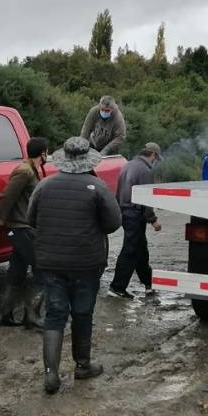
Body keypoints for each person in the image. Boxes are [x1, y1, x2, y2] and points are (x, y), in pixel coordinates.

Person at [28, 136, 121, 394]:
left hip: (50, 262)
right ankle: (82, 365)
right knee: (82, 313)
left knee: (55, 314)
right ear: (87, 160)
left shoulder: (44, 186)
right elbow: (114, 223)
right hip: (86, 263)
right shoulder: (97, 187)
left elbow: (30, 219)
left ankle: (51, 375)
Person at [0, 137, 49, 329]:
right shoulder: (24, 172)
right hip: (21, 228)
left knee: (16, 272)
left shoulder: (31, 170)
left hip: (22, 229)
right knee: (42, 269)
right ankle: (32, 317)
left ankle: (4, 315)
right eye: (46, 152)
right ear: (42, 153)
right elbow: (6, 196)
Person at [108, 142, 163, 299]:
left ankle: (148, 284)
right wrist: (153, 220)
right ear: (152, 155)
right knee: (130, 250)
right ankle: (117, 287)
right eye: (156, 158)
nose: (155, 161)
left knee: (140, 249)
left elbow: (118, 191)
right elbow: (146, 198)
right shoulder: (145, 170)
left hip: (125, 212)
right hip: (134, 213)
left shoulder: (128, 165)